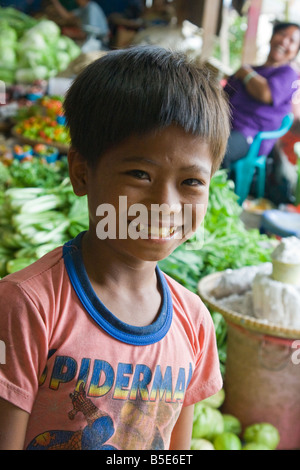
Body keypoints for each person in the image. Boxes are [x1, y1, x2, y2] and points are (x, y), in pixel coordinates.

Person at [0, 46, 230, 451]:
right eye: (139, 174)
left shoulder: (193, 322)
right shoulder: (28, 305)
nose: (165, 205)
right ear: (81, 174)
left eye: (191, 182)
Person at [222, 21, 300, 169]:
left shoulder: (288, 74)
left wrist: (245, 72)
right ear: (272, 37)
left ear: (296, 51)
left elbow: (267, 94)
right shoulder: (254, 69)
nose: (284, 41)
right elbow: (224, 94)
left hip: (250, 135)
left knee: (218, 151)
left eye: (292, 41)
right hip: (224, 124)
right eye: (282, 34)